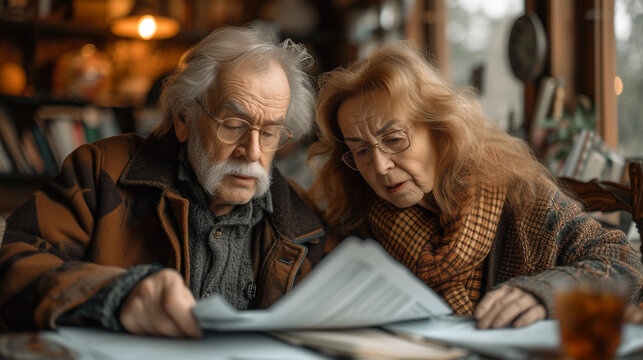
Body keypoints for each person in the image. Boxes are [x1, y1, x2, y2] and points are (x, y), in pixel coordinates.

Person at [0, 26, 325, 338]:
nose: (252, 152)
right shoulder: (102, 174)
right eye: (233, 124)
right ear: (184, 117)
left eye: (269, 133)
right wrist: (116, 295)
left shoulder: (297, 221)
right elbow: (14, 269)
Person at [307, 41, 643, 329]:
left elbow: (622, 261)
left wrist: (544, 293)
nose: (380, 166)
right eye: (361, 150)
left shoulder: (522, 194)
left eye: (394, 139)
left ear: (440, 130)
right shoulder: (360, 217)